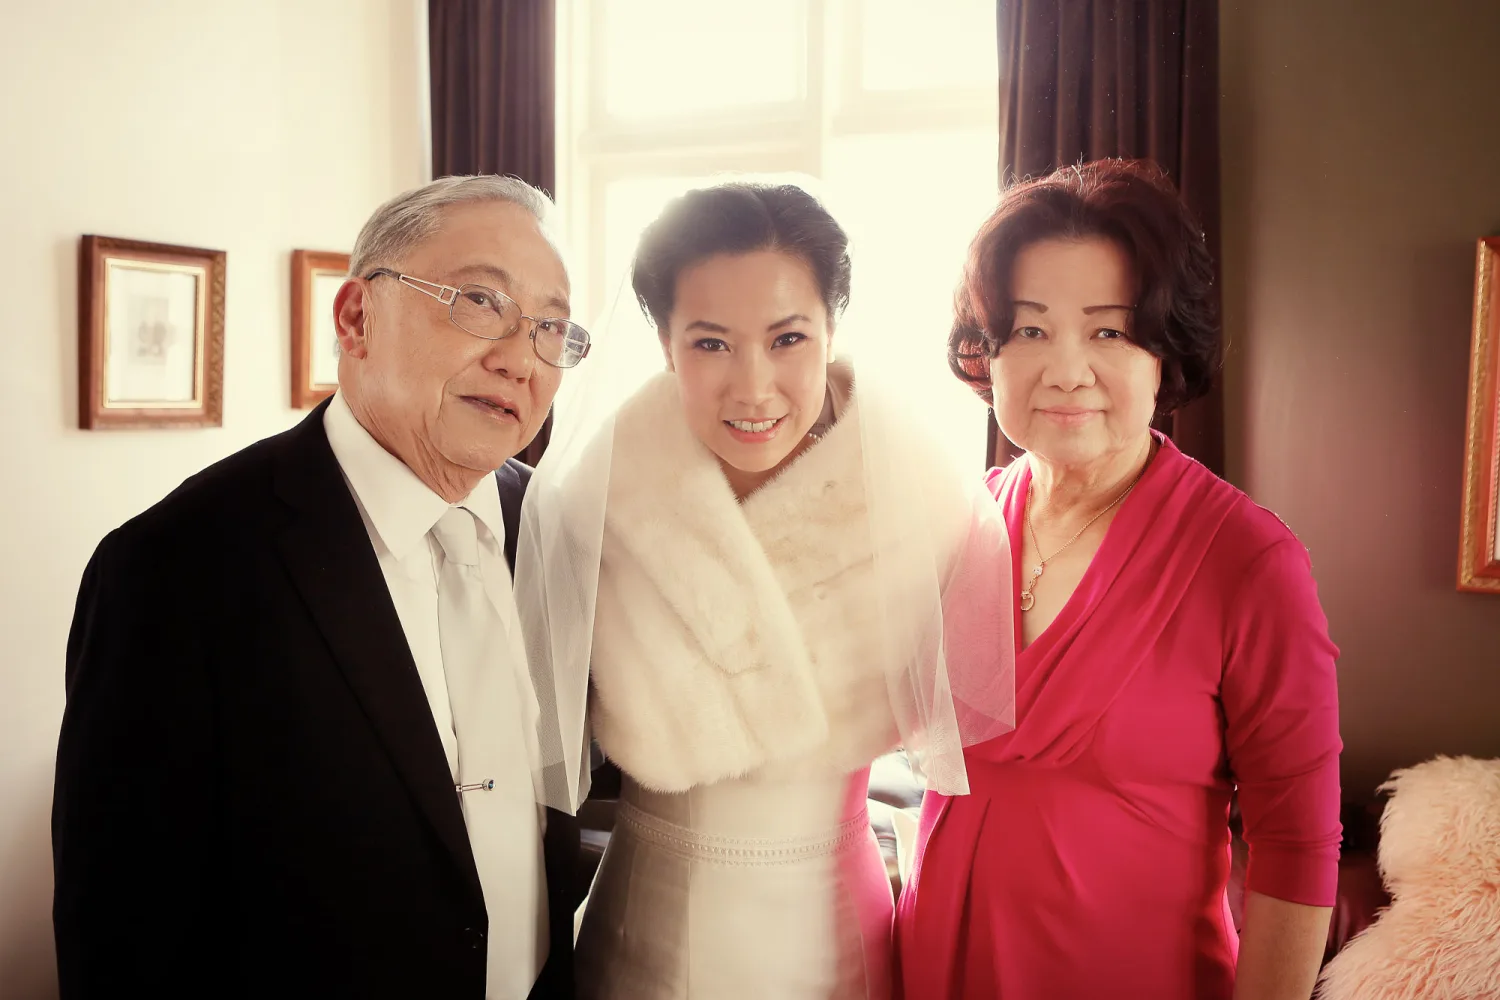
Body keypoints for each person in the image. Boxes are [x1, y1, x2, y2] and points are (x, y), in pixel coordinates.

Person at [53, 175, 592, 1000]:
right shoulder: (173, 570)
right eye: (480, 301)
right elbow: (125, 933)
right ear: (355, 318)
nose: (520, 358)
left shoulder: (557, 531)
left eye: (551, 326)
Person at [513, 182, 1015, 1000]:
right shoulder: (594, 499)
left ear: (831, 330)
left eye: (788, 338)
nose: (753, 387)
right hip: (648, 929)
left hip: (836, 934)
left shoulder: (926, 502)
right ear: (666, 343)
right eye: (710, 344)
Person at [894, 159, 1343, 1000]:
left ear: (1164, 352)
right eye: (1028, 331)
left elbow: (1297, 845)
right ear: (986, 354)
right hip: (934, 967)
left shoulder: (1248, 562)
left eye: (1107, 331)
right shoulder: (957, 527)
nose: (1064, 371)